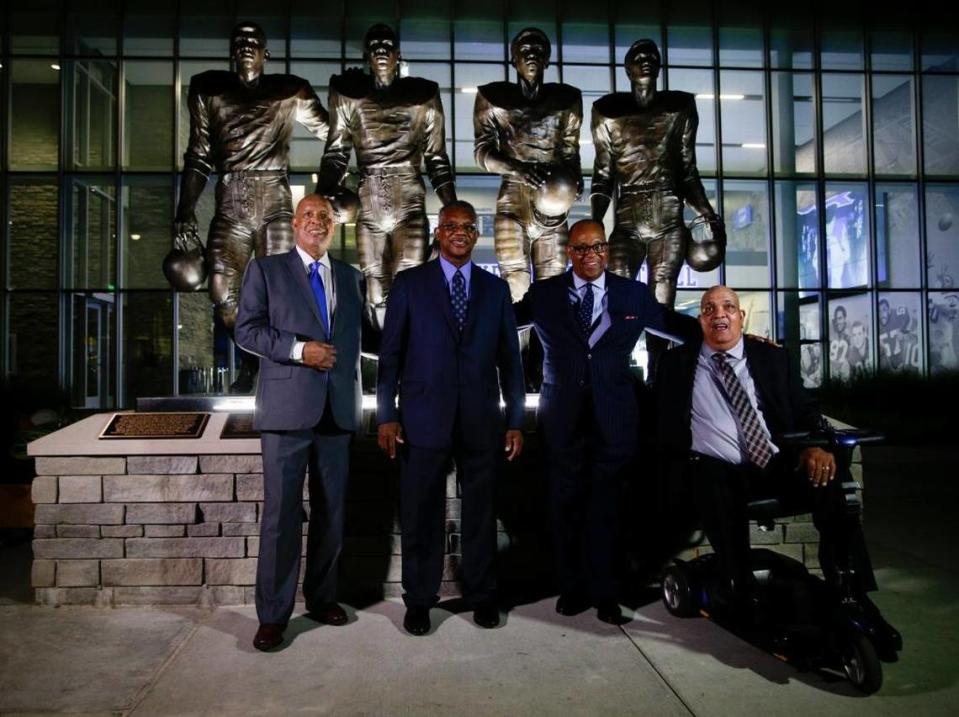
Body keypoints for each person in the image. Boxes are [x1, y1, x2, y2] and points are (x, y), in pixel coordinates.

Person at [514, 219, 698, 624]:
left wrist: (735, 338)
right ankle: (572, 588)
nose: (590, 255)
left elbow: (676, 328)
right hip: (562, 421)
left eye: (596, 247)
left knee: (611, 508)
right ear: (569, 253)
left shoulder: (632, 294)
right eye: (581, 249)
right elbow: (499, 325)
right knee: (566, 507)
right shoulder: (544, 295)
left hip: (615, 421)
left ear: (606, 250)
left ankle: (607, 593)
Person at [655, 286, 879, 614]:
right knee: (709, 479)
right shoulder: (677, 364)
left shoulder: (772, 358)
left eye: (728, 307)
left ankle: (849, 584)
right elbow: (662, 422)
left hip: (774, 464)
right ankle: (738, 585)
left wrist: (815, 447)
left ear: (741, 317)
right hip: (716, 470)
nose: (720, 314)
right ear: (701, 320)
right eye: (709, 309)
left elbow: (806, 410)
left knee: (831, 476)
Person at [376, 201, 525, 636]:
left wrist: (515, 419)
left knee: (480, 514)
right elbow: (391, 358)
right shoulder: (409, 284)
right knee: (422, 513)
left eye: (467, 227)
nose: (459, 232)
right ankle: (420, 600)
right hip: (421, 420)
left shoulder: (495, 290)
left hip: (482, 421)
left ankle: (482, 596)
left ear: (475, 237)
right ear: (439, 233)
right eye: (451, 226)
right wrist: (387, 415)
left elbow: (510, 362)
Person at [234, 195, 365, 651]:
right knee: (281, 515)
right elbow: (246, 330)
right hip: (287, 413)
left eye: (325, 217)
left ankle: (323, 597)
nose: (317, 222)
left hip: (338, 412)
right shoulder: (266, 271)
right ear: (295, 223)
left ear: (334, 227)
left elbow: (365, 338)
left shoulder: (351, 278)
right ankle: (272, 615)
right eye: (309, 215)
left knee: (332, 513)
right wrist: (297, 350)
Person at [173, 22, 330, 393]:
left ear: (266, 53)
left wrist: (329, 186)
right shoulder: (209, 90)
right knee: (223, 292)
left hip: (274, 200)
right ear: (232, 50)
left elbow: (336, 133)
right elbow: (198, 155)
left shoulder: (287, 91)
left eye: (254, 41)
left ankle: (274, 368)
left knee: (280, 291)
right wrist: (185, 209)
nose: (246, 46)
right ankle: (251, 361)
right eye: (240, 41)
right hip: (231, 198)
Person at [591, 39, 726, 380]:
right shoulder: (608, 114)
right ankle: (615, 369)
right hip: (627, 218)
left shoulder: (678, 110)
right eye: (638, 57)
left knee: (662, 298)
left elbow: (687, 170)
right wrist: (594, 223)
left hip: (667, 216)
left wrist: (707, 212)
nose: (646, 61)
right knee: (617, 298)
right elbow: (603, 174)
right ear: (627, 69)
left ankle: (657, 373)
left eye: (652, 56)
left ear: (660, 65)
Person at [317, 24, 456, 330]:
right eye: (374, 44)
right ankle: (386, 362)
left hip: (408, 198)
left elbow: (436, 158)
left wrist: (451, 206)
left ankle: (411, 361)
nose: (381, 49)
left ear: (397, 54)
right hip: (369, 202)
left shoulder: (423, 97)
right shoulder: (349, 97)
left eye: (387, 44)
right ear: (367, 54)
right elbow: (336, 152)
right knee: (377, 291)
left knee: (410, 285)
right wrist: (324, 191)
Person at [473, 27, 583, 302]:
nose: (531, 55)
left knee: (553, 288)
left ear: (547, 60)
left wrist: (575, 180)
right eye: (524, 50)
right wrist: (518, 168)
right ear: (514, 60)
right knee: (515, 283)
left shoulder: (566, 101)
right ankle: (516, 346)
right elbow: (482, 152)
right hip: (513, 196)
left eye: (538, 50)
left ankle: (545, 347)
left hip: (554, 199)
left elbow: (570, 152)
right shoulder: (493, 99)